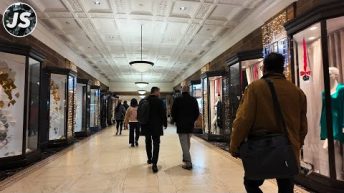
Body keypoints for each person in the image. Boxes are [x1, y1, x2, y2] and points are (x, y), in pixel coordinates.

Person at [229, 53, 308, 193]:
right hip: (288, 148)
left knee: (251, 183)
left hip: (261, 149)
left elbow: (243, 120)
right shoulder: (297, 91)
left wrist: (235, 145)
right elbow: (303, 125)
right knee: (286, 187)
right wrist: (297, 143)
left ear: (264, 68)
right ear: (282, 68)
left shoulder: (254, 88)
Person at [171, 85, 199, 170]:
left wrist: (176, 120)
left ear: (182, 90)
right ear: (189, 90)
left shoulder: (177, 100)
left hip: (181, 125)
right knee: (187, 142)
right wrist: (192, 120)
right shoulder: (193, 100)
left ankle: (188, 162)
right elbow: (197, 112)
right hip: (190, 124)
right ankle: (185, 157)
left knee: (184, 143)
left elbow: (173, 112)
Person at [141, 87, 167, 173]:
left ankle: (149, 159)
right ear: (155, 92)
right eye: (159, 92)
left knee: (148, 142)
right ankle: (154, 164)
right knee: (156, 144)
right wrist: (165, 123)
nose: (159, 94)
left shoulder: (144, 100)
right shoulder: (159, 101)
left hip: (146, 126)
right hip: (156, 126)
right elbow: (163, 113)